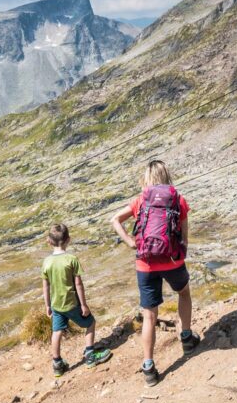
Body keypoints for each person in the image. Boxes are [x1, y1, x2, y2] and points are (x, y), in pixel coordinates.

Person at [110, 160, 200, 386]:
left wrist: (131, 242)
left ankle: (149, 367)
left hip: (145, 263)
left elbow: (114, 220)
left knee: (149, 315)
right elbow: (185, 236)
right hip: (172, 260)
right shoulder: (178, 199)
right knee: (184, 293)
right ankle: (187, 338)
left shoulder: (141, 200)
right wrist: (181, 251)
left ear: (147, 179)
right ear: (166, 176)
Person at [41, 223, 113, 376]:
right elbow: (78, 284)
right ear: (69, 240)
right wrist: (84, 305)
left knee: (57, 331)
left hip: (56, 305)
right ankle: (90, 356)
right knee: (91, 323)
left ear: (49, 241)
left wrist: (47, 305)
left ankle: (57, 363)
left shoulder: (46, 262)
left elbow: (45, 287)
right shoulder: (71, 259)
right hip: (72, 304)